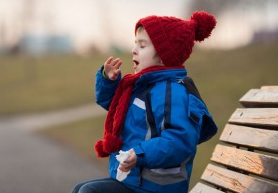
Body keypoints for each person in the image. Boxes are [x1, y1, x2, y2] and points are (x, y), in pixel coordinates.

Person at [73, 11, 218, 193]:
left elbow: (180, 141)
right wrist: (108, 82)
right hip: (134, 180)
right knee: (81, 188)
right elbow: (115, 109)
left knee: (90, 191)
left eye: (142, 46)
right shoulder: (143, 85)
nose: (134, 50)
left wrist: (141, 153)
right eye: (136, 44)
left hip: (156, 187)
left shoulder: (172, 93)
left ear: (164, 56)